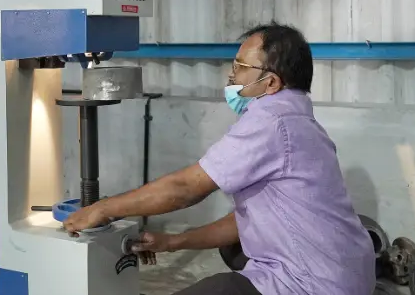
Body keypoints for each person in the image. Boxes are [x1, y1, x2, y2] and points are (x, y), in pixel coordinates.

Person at [63, 21, 376, 295]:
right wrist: (173, 242)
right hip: (348, 275)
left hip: (311, 285)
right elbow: (249, 221)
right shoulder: (303, 122)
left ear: (271, 83)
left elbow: (185, 188)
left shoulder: (272, 121)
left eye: (240, 66)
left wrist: (102, 209)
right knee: (235, 246)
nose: (231, 75)